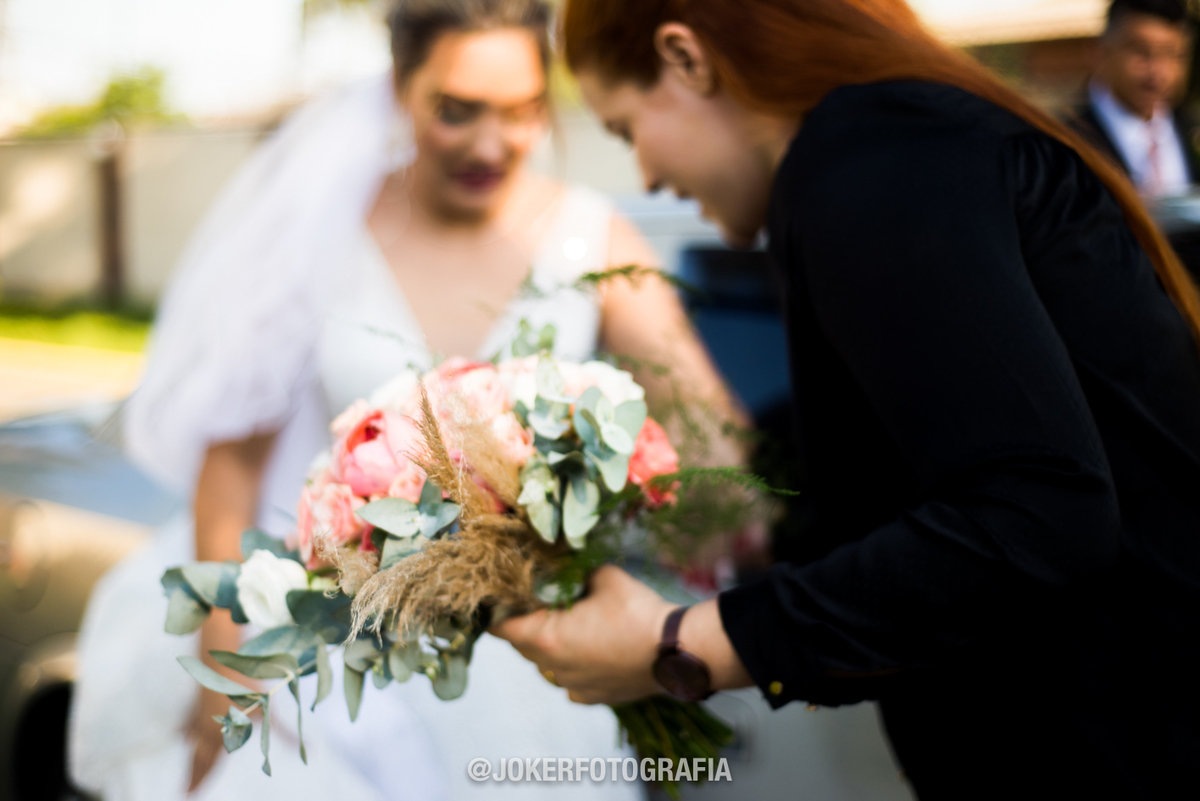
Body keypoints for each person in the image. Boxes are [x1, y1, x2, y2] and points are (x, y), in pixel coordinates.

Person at [492, 0, 1200, 798]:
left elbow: (1038, 512)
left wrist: (679, 643)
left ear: (686, 59)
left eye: (625, 130)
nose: (647, 176)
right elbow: (930, 457)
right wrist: (751, 508)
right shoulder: (905, 144)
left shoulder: (869, 168)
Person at [67, 1, 745, 799]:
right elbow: (232, 470)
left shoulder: (594, 239)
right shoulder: (320, 233)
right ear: (398, 86)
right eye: (456, 110)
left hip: (528, 664)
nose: (491, 144)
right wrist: (226, 665)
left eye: (523, 110)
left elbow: (715, 440)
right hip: (336, 661)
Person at [1068, 0, 1199, 197]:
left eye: (1171, 53)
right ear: (1099, 52)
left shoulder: (1191, 129)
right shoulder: (1066, 143)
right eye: (1141, 52)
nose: (1157, 72)